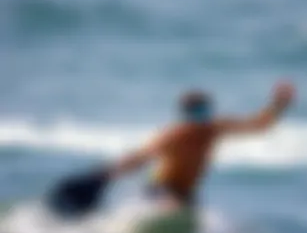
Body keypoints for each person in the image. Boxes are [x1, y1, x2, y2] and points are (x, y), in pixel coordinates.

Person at [106, 81, 296, 212]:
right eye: (197, 111)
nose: (202, 116)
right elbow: (143, 156)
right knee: (174, 205)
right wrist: (114, 170)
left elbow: (258, 125)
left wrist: (279, 104)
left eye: (205, 110)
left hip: (187, 192)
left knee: (188, 208)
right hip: (162, 188)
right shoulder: (174, 134)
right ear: (185, 114)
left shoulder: (215, 128)